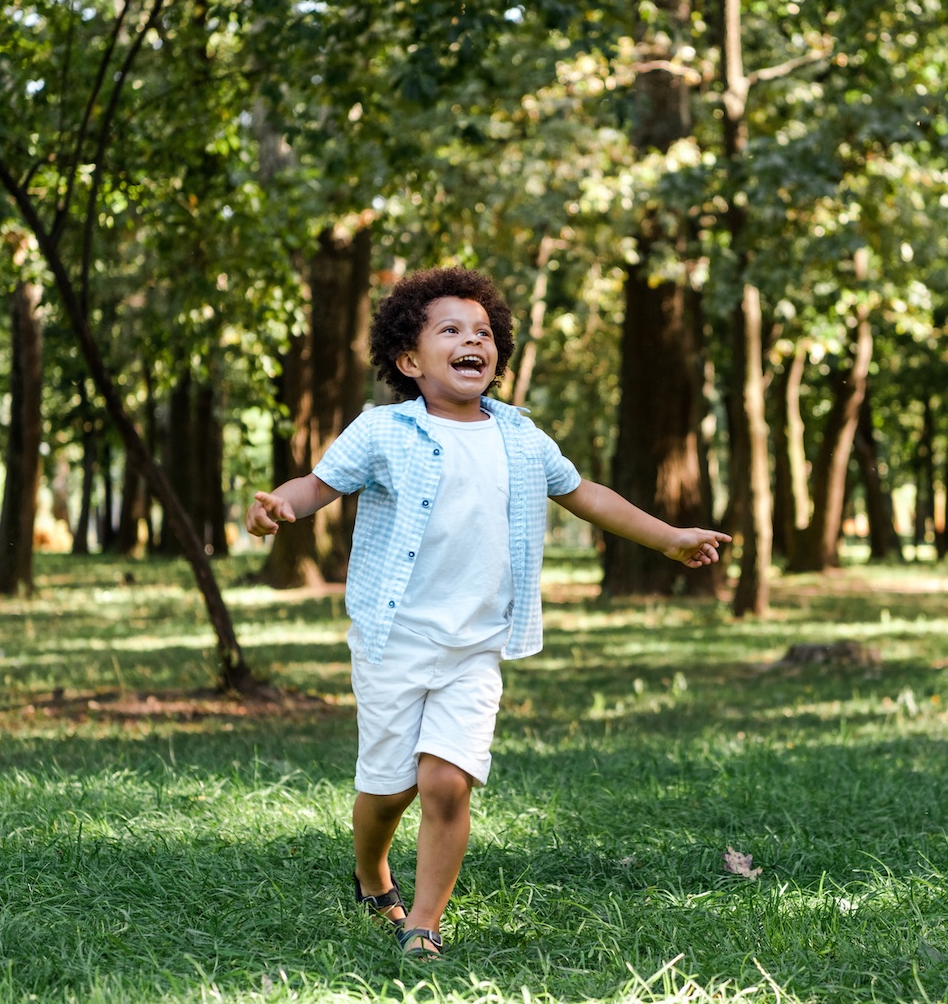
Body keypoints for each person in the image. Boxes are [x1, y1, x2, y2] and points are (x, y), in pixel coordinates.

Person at [245, 267, 730, 958]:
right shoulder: (383, 431)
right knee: (388, 790)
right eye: (451, 330)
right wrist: (280, 508)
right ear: (410, 361)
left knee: (445, 782)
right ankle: (371, 869)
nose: (472, 339)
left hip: (476, 646)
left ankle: (424, 923)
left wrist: (670, 537)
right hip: (393, 642)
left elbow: (587, 494)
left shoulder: (522, 437)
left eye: (483, 332)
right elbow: (317, 484)